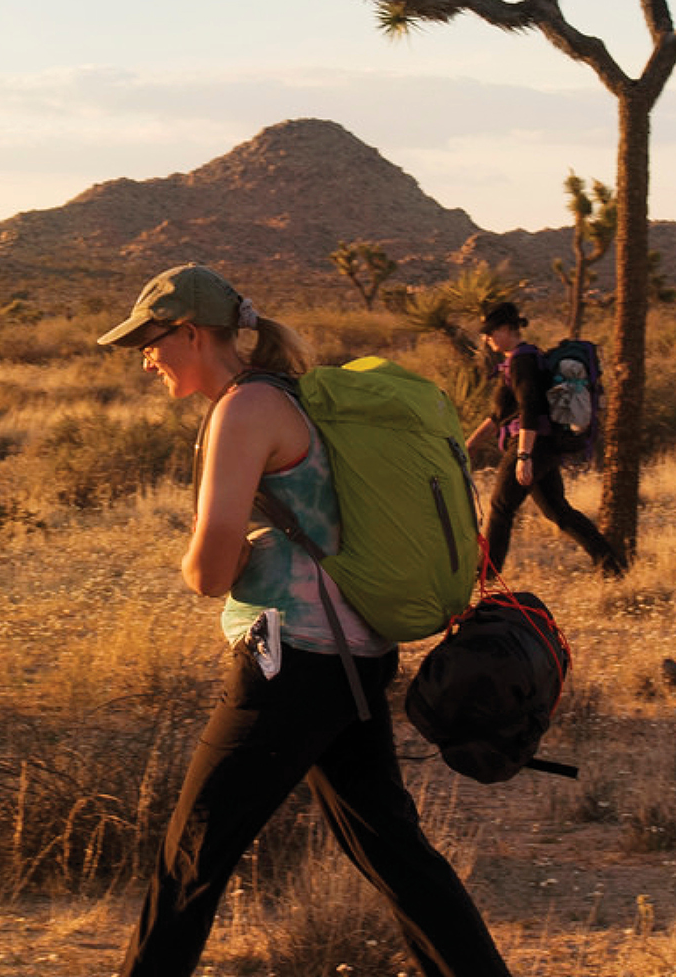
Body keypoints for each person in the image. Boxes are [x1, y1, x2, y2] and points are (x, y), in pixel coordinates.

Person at [96, 264, 512, 977]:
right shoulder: (286, 395)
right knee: (389, 846)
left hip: (290, 662)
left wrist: (198, 558)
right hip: (349, 657)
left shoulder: (243, 410)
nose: (145, 356)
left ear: (193, 334)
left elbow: (209, 573)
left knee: (192, 851)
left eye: (152, 339)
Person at [463, 302, 625, 580]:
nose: (487, 339)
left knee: (501, 508)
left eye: (490, 332)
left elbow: (530, 408)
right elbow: (500, 415)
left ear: (505, 330)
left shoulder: (522, 361)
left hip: (531, 445)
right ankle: (612, 565)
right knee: (558, 511)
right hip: (542, 446)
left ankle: (485, 575)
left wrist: (524, 457)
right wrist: (470, 444)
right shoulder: (520, 360)